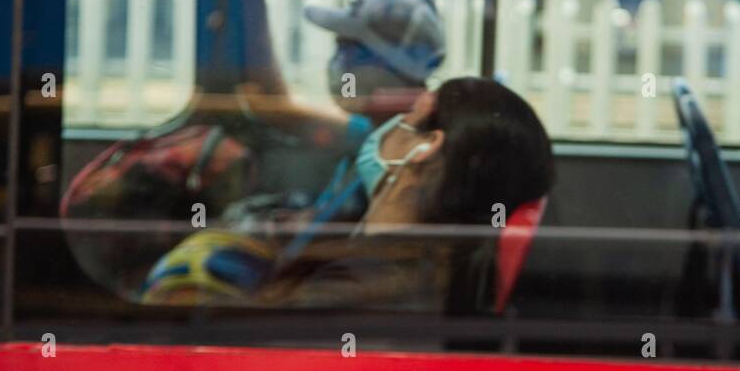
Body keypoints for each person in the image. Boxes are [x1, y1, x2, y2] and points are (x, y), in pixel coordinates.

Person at [143, 76, 555, 311]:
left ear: (422, 147)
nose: (389, 125)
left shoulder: (362, 289)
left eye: (407, 117)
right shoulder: (417, 265)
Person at [225, 0, 447, 225]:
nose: (339, 63)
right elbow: (275, 106)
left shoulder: (413, 151)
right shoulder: (373, 131)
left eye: (350, 49)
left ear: (395, 65)